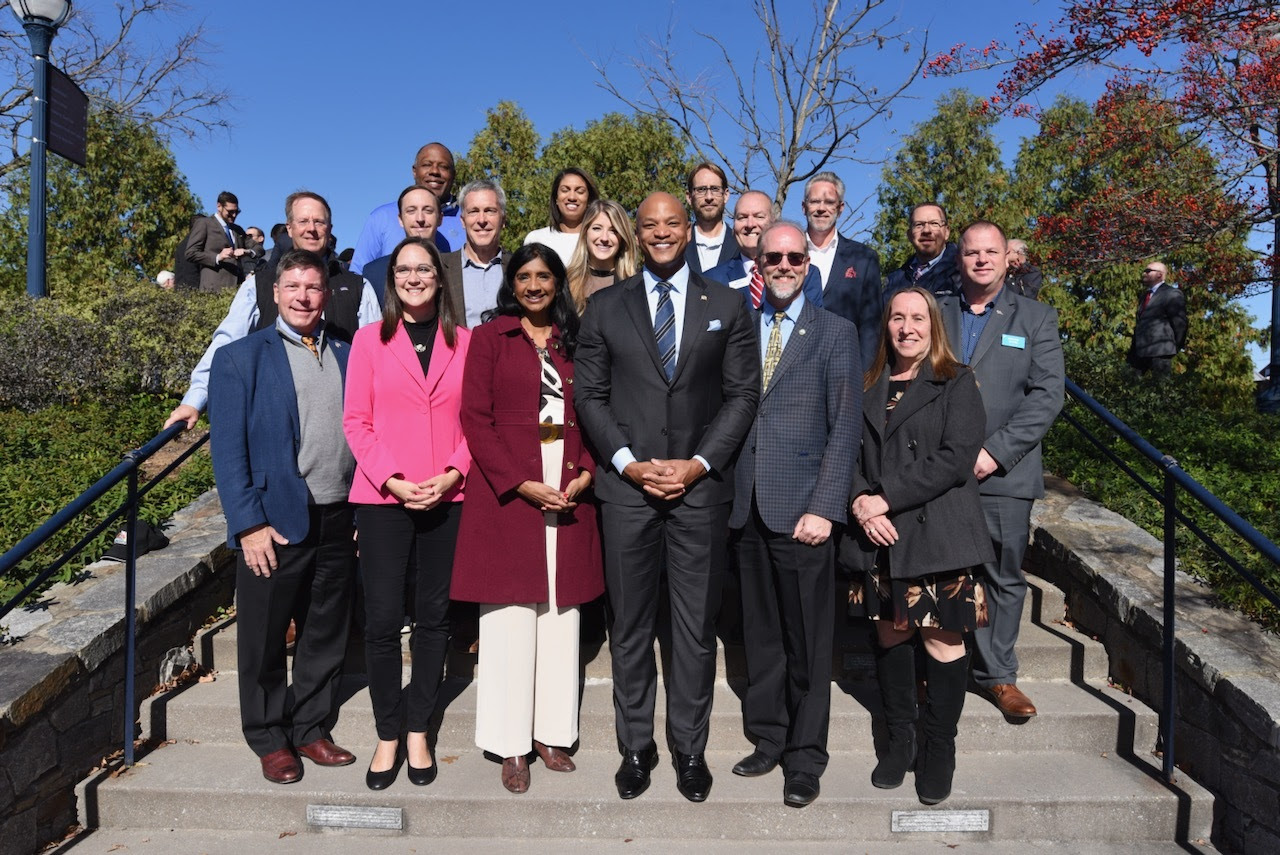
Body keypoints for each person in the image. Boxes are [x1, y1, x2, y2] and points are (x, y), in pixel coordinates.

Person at [575, 192, 759, 803]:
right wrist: (627, 465)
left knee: (692, 629)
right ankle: (636, 746)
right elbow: (590, 399)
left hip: (698, 494)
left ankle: (690, 749)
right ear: (638, 235)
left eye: (670, 224)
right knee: (628, 626)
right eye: (648, 225)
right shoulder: (604, 307)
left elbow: (741, 397)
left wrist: (698, 464)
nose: (659, 233)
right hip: (626, 494)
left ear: (690, 229)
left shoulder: (728, 305)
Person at [452, 243, 603, 794]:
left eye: (544, 276)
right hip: (509, 488)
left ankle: (551, 734)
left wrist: (586, 470)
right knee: (509, 619)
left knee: (560, 618)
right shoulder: (492, 338)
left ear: (559, 283)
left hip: (568, 481)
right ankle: (511, 742)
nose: (534, 285)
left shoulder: (576, 340)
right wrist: (519, 481)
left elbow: (595, 409)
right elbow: (475, 417)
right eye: (524, 277)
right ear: (511, 284)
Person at [208, 249, 359, 785]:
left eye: (312, 287)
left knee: (325, 630)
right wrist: (248, 524)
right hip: (273, 521)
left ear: (325, 294)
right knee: (265, 636)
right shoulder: (241, 358)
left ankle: (311, 727)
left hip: (339, 515)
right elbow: (227, 452)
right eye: (292, 286)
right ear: (274, 293)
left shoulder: (348, 351)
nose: (302, 296)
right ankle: (269, 737)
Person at [844, 285, 994, 805]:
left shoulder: (957, 381)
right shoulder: (867, 384)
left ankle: (939, 746)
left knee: (941, 642)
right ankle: (900, 739)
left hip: (940, 535)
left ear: (934, 326)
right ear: (885, 326)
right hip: (879, 538)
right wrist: (861, 500)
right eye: (897, 318)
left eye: (918, 318)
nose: (907, 327)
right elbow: (845, 455)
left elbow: (955, 459)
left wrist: (884, 498)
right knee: (890, 635)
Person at [729, 222, 862, 808]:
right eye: (772, 257)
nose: (783, 265)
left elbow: (846, 427)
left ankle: (805, 757)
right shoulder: (738, 326)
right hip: (744, 505)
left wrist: (826, 508)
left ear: (807, 264)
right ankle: (768, 737)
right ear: (758, 262)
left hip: (804, 510)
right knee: (760, 636)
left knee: (807, 641)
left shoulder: (835, 332)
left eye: (793, 257)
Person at [342, 236, 472, 791]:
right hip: (383, 499)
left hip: (447, 497)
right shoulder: (370, 341)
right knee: (380, 621)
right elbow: (356, 423)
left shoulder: (464, 342)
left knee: (434, 617)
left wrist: (451, 474)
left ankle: (419, 727)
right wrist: (393, 480)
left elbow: (476, 421)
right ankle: (387, 731)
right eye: (404, 269)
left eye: (424, 268)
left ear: (440, 279)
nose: (414, 276)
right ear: (391, 277)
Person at [939, 221, 1064, 720]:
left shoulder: (1035, 317)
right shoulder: (935, 311)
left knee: (1001, 575)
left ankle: (998, 677)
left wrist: (995, 452)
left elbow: (1047, 395)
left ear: (1007, 258)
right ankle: (940, 669)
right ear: (959, 258)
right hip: (938, 469)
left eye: (990, 252)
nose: (981, 260)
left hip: (1004, 474)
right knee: (937, 570)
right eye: (972, 253)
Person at [163, 191, 381, 431]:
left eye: (319, 221)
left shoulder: (357, 287)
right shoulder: (259, 285)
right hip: (276, 422)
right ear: (289, 228)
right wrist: (195, 400)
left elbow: (377, 358)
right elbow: (225, 342)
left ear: (329, 228)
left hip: (342, 422)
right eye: (303, 221)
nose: (312, 228)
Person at [801, 171, 883, 367]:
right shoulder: (785, 255)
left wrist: (864, 378)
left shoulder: (863, 258)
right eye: (814, 202)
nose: (821, 208)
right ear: (804, 207)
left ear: (840, 208)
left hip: (844, 369)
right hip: (794, 370)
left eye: (829, 202)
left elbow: (871, 327)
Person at [350, 142, 464, 273]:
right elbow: (358, 275)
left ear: (453, 175)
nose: (434, 171)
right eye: (427, 165)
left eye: (443, 167)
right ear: (414, 171)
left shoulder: (468, 219)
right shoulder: (382, 217)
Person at [704, 190, 824, 310]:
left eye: (759, 216)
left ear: (773, 221)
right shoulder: (711, 280)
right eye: (742, 217)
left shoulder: (805, 274)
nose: (750, 224)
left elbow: (810, 323)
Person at [440, 179, 509, 328]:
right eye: (474, 211)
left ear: (503, 220)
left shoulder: (518, 268)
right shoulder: (440, 268)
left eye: (490, 211)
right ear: (463, 221)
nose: (482, 220)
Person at [361, 186, 443, 305]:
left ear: (440, 219)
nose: (420, 218)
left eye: (428, 211)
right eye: (411, 211)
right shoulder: (374, 273)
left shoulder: (455, 268)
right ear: (400, 219)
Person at [565, 199, 638, 312]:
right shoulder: (565, 281)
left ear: (622, 237)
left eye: (613, 231)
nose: (604, 238)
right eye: (597, 228)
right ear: (585, 233)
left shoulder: (637, 285)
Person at [523, 167, 600, 266]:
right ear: (556, 198)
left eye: (580, 191)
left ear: (589, 200)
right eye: (565, 190)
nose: (572, 197)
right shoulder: (536, 239)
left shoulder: (599, 240)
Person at [883, 204, 962, 297]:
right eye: (919, 225)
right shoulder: (892, 282)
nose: (926, 230)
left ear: (947, 232)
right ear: (909, 235)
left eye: (934, 224)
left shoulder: (963, 275)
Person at [1127, 261, 1187, 376]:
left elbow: (1180, 323)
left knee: (1161, 388)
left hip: (1161, 351)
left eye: (1148, 271)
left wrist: (1174, 346)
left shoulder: (1172, 293)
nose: (1144, 273)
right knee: (1130, 386)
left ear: (1159, 274)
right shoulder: (1145, 296)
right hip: (1139, 351)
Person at [185, 190, 248, 292]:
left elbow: (256, 248)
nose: (234, 215)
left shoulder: (238, 230)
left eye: (236, 212)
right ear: (219, 206)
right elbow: (190, 253)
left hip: (237, 289)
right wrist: (218, 257)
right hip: (214, 289)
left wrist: (247, 251)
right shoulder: (204, 224)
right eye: (230, 212)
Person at [683, 162, 738, 273]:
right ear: (689, 197)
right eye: (701, 189)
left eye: (715, 189)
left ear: (726, 195)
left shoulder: (740, 247)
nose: (709, 197)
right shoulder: (678, 247)